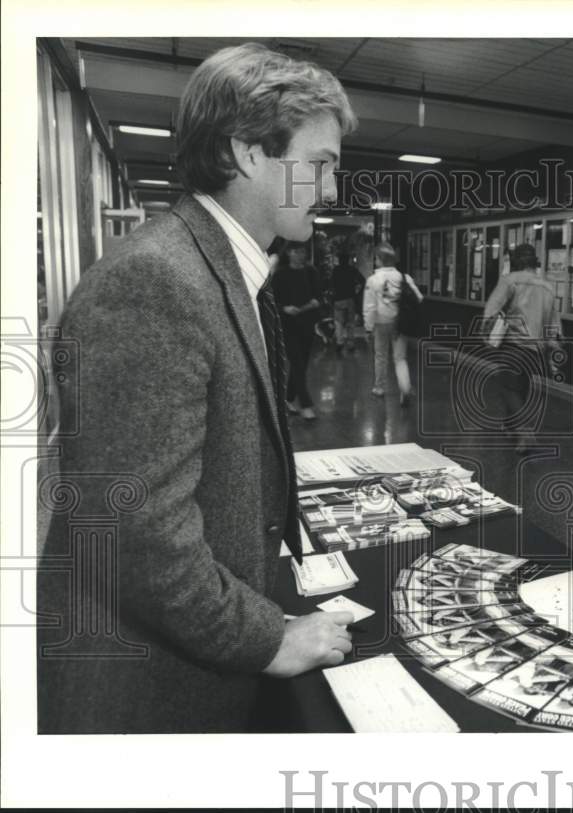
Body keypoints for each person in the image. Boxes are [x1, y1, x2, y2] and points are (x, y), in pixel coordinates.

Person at [36, 43, 358, 734]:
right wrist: (267, 637)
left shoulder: (222, 270)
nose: (332, 191)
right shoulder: (155, 281)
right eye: (321, 164)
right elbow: (139, 535)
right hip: (150, 695)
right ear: (247, 153)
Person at [482, 243, 562, 453]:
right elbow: (553, 323)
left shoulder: (510, 280)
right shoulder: (548, 287)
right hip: (536, 347)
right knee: (521, 387)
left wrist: (487, 332)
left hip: (513, 343)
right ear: (535, 262)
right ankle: (509, 427)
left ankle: (525, 432)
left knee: (508, 387)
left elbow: (491, 310)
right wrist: (552, 348)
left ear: (516, 261)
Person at [363, 241, 423, 406]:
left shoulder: (373, 280)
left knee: (380, 356)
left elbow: (369, 307)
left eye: (376, 258)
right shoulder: (405, 277)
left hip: (381, 323)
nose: (375, 261)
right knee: (400, 358)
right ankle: (405, 389)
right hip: (399, 323)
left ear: (380, 259)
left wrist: (368, 328)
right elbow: (419, 297)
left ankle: (379, 388)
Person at [272, 242, 323, 419]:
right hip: (288, 325)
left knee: (301, 364)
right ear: (288, 253)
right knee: (298, 363)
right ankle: (306, 405)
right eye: (295, 251)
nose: (299, 254)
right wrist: (285, 308)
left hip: (307, 324)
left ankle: (289, 398)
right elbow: (271, 301)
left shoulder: (311, 272)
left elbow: (318, 295)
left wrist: (314, 303)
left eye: (302, 251)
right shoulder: (280, 275)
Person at [328, 250, 365, 353]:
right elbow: (363, 280)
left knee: (338, 322)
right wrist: (358, 291)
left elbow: (330, 285)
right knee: (350, 322)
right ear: (348, 260)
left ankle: (340, 342)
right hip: (350, 298)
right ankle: (351, 343)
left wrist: (332, 295)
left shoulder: (335, 270)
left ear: (339, 260)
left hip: (338, 299)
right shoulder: (352, 269)